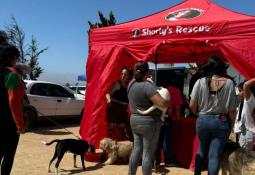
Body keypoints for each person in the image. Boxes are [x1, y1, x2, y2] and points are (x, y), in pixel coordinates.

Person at [189, 57, 237, 175]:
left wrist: (198, 114)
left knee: (201, 150)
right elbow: (232, 110)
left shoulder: (199, 82)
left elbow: (192, 104)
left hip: (203, 119)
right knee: (214, 155)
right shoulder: (229, 83)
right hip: (221, 121)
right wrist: (233, 123)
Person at [127, 61, 168, 175]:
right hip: (149, 122)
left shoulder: (131, 84)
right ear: (147, 73)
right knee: (147, 154)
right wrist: (166, 100)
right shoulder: (147, 86)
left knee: (136, 150)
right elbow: (162, 103)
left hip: (134, 119)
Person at [0, 44, 26, 175]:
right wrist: (20, 124)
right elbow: (14, 102)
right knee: (8, 155)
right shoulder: (13, 75)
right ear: (13, 57)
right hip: (8, 123)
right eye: (16, 58)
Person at [154, 76, 184, 168]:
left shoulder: (156, 90)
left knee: (157, 140)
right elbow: (178, 107)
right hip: (167, 117)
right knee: (166, 140)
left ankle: (157, 160)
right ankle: (168, 160)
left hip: (156, 117)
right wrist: (178, 118)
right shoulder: (175, 91)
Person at [105, 67, 133, 141]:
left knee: (121, 132)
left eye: (125, 74)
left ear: (128, 76)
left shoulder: (129, 86)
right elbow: (108, 93)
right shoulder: (117, 84)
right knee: (111, 131)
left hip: (122, 111)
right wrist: (108, 99)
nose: (123, 76)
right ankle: (106, 151)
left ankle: (119, 151)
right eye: (122, 74)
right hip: (113, 109)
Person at [235, 78, 255, 151]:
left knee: (244, 158)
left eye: (240, 90)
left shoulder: (250, 99)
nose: (238, 93)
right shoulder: (243, 102)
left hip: (247, 132)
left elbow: (246, 85)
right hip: (243, 132)